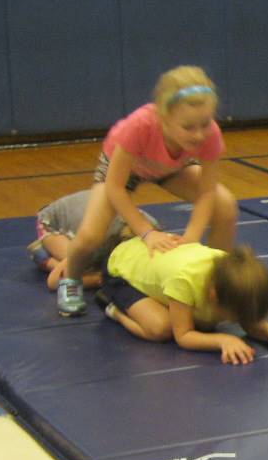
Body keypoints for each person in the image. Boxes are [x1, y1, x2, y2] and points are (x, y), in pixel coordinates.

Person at [52, 66, 238, 318]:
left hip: (171, 166)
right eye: (188, 127)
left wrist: (191, 238)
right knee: (90, 236)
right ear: (164, 117)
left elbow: (207, 193)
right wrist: (147, 233)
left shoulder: (209, 133)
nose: (198, 134)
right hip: (124, 170)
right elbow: (115, 188)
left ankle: (216, 279)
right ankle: (71, 280)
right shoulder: (139, 125)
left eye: (204, 124)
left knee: (225, 204)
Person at [99, 239, 268, 365]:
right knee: (162, 328)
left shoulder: (231, 272)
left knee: (203, 320)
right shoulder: (184, 280)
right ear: (214, 295)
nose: (239, 321)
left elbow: (248, 319)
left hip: (146, 256)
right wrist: (223, 340)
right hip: (120, 270)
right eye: (236, 316)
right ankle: (113, 309)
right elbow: (183, 336)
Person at [28, 189, 154, 288]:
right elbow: (54, 281)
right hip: (51, 222)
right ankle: (46, 258)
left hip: (87, 211)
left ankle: (44, 255)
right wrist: (100, 279)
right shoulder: (95, 239)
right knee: (80, 265)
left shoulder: (151, 228)